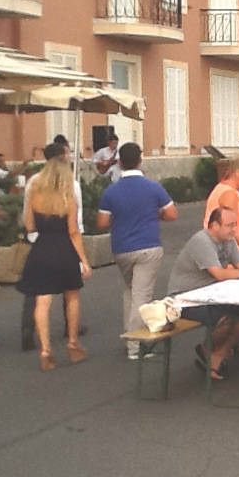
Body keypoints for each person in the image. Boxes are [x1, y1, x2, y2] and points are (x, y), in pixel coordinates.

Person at [168, 207, 239, 380]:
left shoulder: (228, 240)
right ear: (215, 226)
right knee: (227, 317)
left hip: (213, 293)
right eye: (230, 225)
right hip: (186, 297)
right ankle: (207, 350)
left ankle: (218, 353)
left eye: (235, 225)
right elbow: (219, 274)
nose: (234, 230)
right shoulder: (201, 241)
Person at [96, 143, 178, 359]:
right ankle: (136, 345)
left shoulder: (111, 191)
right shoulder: (153, 187)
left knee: (130, 292)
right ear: (140, 160)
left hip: (122, 248)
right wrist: (154, 214)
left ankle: (129, 335)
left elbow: (102, 222)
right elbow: (171, 215)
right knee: (142, 295)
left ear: (120, 162)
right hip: (148, 245)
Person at [16, 146, 91, 371]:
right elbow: (73, 231)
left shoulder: (34, 196)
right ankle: (72, 343)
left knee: (42, 301)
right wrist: (84, 261)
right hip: (64, 250)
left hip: (42, 249)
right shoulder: (68, 198)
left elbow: (29, 225)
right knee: (72, 298)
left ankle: (46, 349)